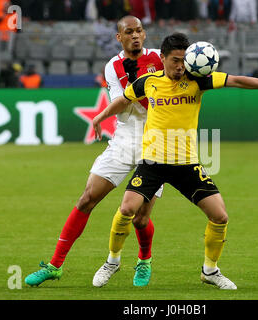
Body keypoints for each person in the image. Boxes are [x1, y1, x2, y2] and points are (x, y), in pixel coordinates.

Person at [92, 33, 258, 289]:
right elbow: (123, 101)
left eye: (183, 60)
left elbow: (236, 80)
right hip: (152, 163)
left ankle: (210, 271)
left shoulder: (197, 80)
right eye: (175, 60)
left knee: (220, 216)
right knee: (127, 209)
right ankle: (112, 262)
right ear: (162, 59)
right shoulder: (147, 82)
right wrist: (99, 117)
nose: (180, 66)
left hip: (186, 164)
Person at [24, 15, 164, 287]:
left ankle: (144, 260)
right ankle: (55, 265)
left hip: (155, 144)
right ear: (119, 37)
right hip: (125, 140)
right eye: (129, 32)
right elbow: (121, 103)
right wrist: (140, 83)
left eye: (139, 31)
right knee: (87, 198)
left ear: (144, 34)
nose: (135, 35)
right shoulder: (113, 66)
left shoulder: (161, 57)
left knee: (140, 218)